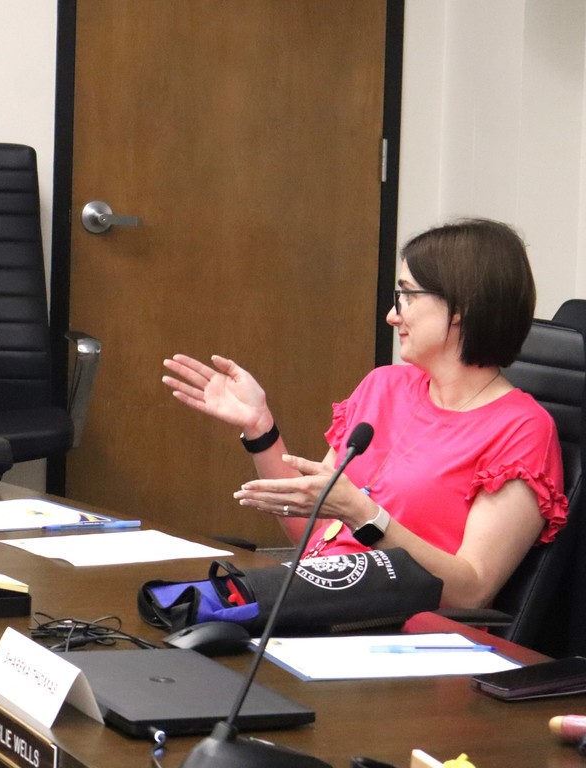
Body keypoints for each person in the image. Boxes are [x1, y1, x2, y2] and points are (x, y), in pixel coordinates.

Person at [162, 218, 568, 609]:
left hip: (402, 635)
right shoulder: (384, 386)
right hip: (316, 601)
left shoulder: (522, 429)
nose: (393, 315)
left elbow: (471, 591)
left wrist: (363, 513)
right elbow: (315, 536)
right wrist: (260, 428)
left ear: (461, 305)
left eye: (407, 295)